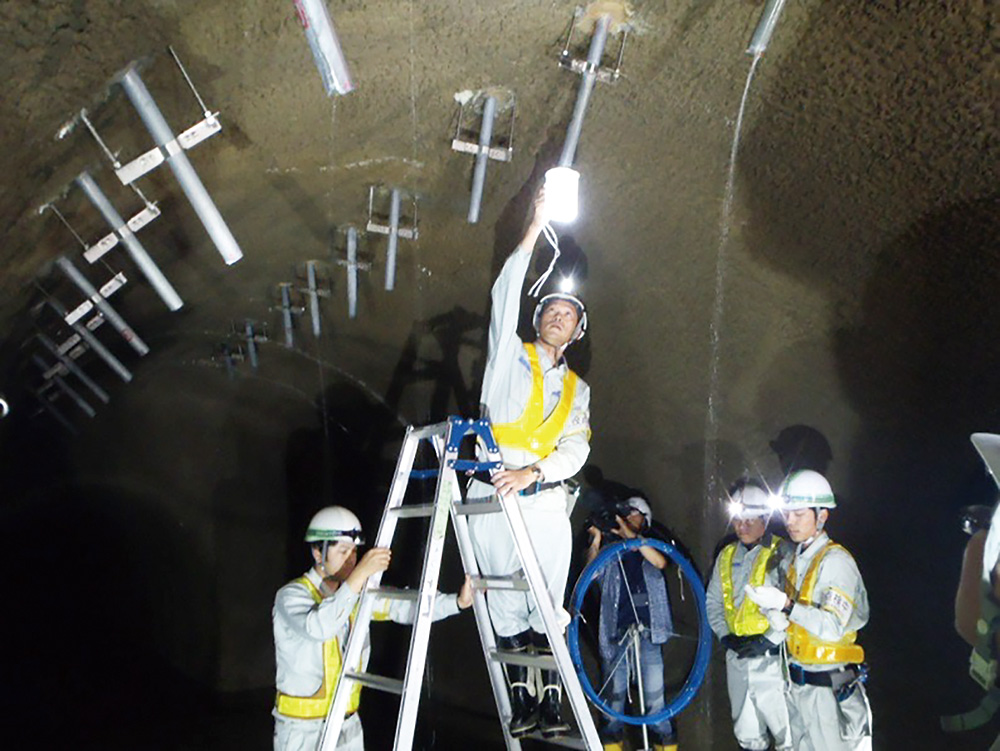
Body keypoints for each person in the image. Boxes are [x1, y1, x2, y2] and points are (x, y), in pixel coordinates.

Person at [467, 188, 592, 739]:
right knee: (502, 601)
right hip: (493, 499)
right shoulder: (507, 358)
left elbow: (577, 447)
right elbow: (506, 289)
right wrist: (535, 223)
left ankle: (549, 701)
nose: (558, 318)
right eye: (551, 310)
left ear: (576, 330)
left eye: (568, 315)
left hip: (542, 503)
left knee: (544, 601)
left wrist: (536, 473)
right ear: (539, 317)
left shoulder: (579, 390)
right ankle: (520, 696)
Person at [272, 506, 473, 750]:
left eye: (355, 552)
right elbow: (320, 627)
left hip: (348, 725)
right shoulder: (291, 596)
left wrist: (457, 602)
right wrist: (361, 575)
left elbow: (403, 607)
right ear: (317, 552)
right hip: (303, 731)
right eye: (343, 551)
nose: (351, 559)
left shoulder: (355, 594)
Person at [745, 470, 872, 751]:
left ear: (822, 515)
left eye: (799, 514)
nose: (790, 521)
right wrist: (776, 617)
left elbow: (831, 626)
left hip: (827, 686)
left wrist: (786, 606)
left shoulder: (836, 562)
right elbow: (799, 618)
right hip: (798, 682)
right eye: (788, 513)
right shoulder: (796, 559)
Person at [585, 496, 678, 751]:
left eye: (633, 514)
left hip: (649, 635)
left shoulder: (653, 544)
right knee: (613, 705)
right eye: (624, 514)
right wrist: (596, 539)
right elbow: (590, 574)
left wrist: (627, 533)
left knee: (655, 703)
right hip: (616, 637)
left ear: (645, 518)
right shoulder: (612, 551)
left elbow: (660, 562)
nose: (627, 518)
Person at [706, 480, 792, 751]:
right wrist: (725, 637)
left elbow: (794, 606)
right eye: (737, 521)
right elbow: (713, 603)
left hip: (773, 661)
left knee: (787, 736)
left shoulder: (782, 553)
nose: (741, 527)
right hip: (738, 659)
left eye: (748, 521)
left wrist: (769, 640)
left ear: (765, 519)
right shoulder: (726, 555)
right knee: (747, 735)